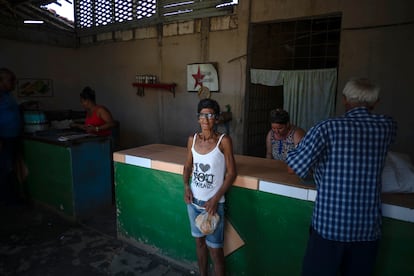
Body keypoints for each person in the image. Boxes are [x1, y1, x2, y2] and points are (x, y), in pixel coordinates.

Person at [286, 78, 397, 276]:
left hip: (329, 227)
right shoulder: (387, 127)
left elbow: (296, 166)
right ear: (375, 102)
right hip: (367, 229)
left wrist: (301, 148)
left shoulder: (327, 127)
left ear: (345, 100)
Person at [183, 98, 237, 276]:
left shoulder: (223, 141)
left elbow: (231, 174)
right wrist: (186, 186)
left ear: (217, 118)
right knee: (199, 244)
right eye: (202, 115)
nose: (206, 120)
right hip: (194, 203)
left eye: (210, 115)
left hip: (213, 206)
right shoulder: (192, 139)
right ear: (198, 118)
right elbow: (188, 166)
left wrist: (215, 199)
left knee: (215, 251)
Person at [0, 68, 23, 205]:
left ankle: (14, 197)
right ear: (1, 81)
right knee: (5, 168)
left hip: (14, 137)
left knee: (14, 168)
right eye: (10, 80)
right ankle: (6, 200)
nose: (13, 83)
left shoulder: (8, 95)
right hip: (4, 139)